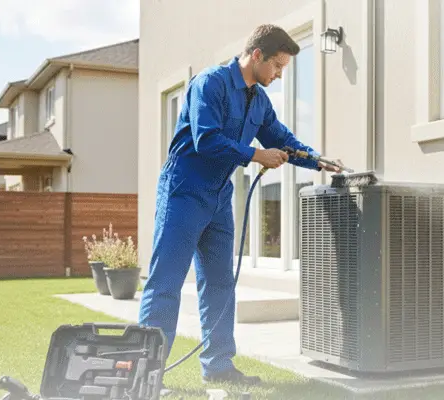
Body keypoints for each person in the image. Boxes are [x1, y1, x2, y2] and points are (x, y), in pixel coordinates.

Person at [138, 24, 342, 385]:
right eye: (278, 66)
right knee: (165, 283)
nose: (279, 75)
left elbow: (281, 138)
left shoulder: (258, 100)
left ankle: (218, 368)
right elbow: (206, 139)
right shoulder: (210, 83)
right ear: (257, 55)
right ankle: (147, 377)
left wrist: (317, 160)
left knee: (219, 285)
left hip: (218, 200)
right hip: (183, 192)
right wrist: (255, 154)